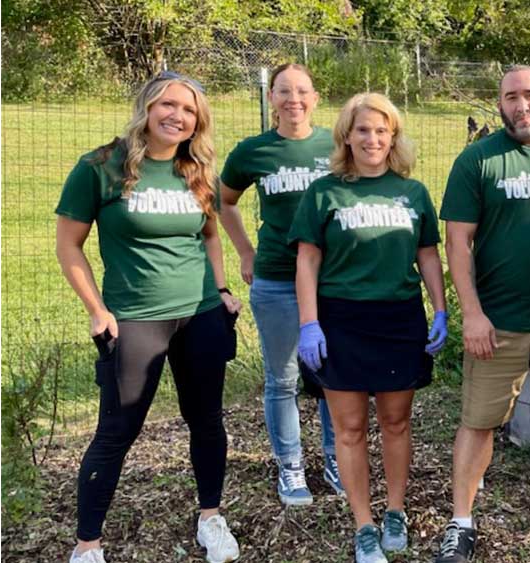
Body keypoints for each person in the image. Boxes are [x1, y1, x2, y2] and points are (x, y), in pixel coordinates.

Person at [55, 71, 242, 563]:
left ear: (198, 121)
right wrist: (97, 310)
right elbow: (68, 246)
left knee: (206, 421)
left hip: (200, 314)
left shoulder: (197, 170)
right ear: (146, 106)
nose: (177, 116)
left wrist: (222, 289)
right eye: (167, 104)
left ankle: (211, 518)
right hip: (135, 319)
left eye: (188, 109)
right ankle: (88, 545)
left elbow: (209, 235)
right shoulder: (101, 167)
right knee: (116, 432)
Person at [435, 65, 530, 563]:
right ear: (499, 104)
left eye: (529, 95)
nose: (521, 106)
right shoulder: (478, 160)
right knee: (478, 422)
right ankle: (461, 521)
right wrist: (472, 313)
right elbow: (457, 242)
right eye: (510, 97)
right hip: (497, 322)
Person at [289, 92, 448, 563]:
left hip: (399, 318)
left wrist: (440, 309)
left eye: (382, 130)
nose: (372, 138)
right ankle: (363, 524)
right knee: (350, 428)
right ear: (346, 136)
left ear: (393, 137)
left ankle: (395, 510)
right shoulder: (324, 192)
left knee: (396, 422)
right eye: (363, 130)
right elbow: (307, 261)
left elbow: (427, 255)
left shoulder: (412, 192)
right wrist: (309, 323)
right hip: (341, 321)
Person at [219, 62, 343, 504]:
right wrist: (245, 252)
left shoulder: (336, 145)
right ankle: (290, 466)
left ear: (316, 98)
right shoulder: (253, 151)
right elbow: (224, 202)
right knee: (283, 378)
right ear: (271, 97)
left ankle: (338, 459)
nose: (294, 100)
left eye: (302, 91)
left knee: (334, 376)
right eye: (284, 91)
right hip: (277, 279)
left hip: (333, 280)